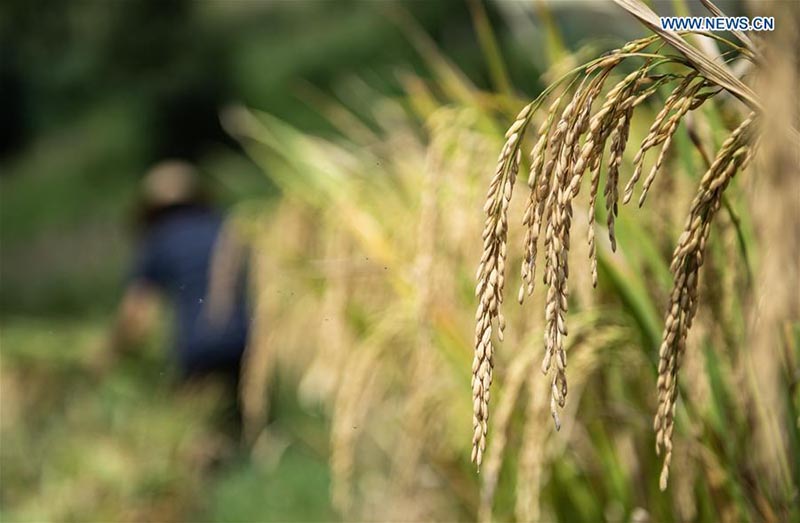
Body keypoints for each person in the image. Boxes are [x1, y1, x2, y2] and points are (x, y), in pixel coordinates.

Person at [106, 160, 250, 434]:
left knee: (201, 429)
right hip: (246, 339)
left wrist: (112, 351)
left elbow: (136, 313)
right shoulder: (223, 227)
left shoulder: (159, 242)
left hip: (198, 348)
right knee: (248, 425)